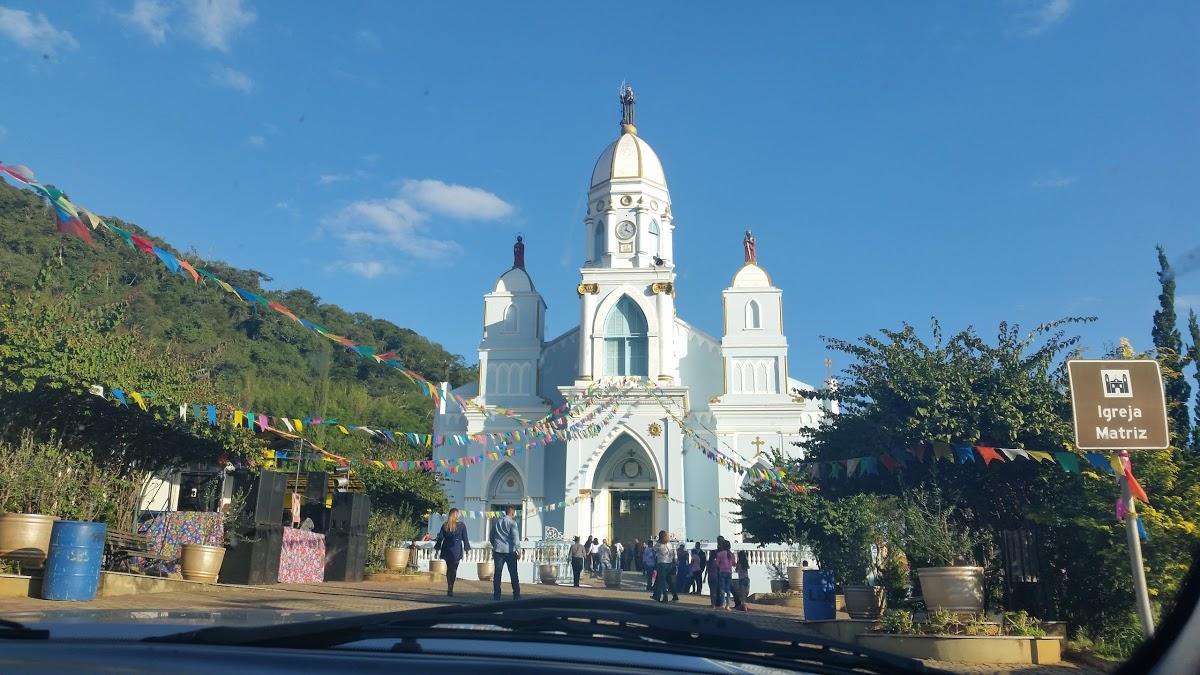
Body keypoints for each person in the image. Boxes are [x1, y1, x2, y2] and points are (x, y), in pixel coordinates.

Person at [433, 508, 470, 597]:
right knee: (453, 569)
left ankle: (450, 586)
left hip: (446, 548)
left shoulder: (445, 525)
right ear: (456, 515)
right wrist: (467, 549)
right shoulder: (461, 525)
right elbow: (465, 538)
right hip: (456, 549)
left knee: (449, 568)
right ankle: (450, 587)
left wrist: (437, 549)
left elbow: (440, 539)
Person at [488, 505, 521, 601]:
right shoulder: (512, 523)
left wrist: (495, 545)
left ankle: (497, 595)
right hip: (510, 551)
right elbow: (515, 537)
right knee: (513, 574)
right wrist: (518, 550)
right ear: (512, 513)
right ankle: (516, 594)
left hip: (498, 550)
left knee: (497, 574)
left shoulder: (497, 522)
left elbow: (491, 536)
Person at [651, 531, 678, 603]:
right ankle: (675, 596)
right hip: (669, 564)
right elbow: (674, 553)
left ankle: (665, 597)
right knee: (669, 581)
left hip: (662, 563)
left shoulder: (659, 544)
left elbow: (653, 550)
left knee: (662, 581)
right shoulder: (670, 544)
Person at [714, 538, 735, 610]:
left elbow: (717, 564)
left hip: (722, 572)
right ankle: (728, 605)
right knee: (728, 589)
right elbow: (734, 564)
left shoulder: (720, 554)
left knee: (722, 589)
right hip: (729, 572)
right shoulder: (731, 554)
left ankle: (722, 604)